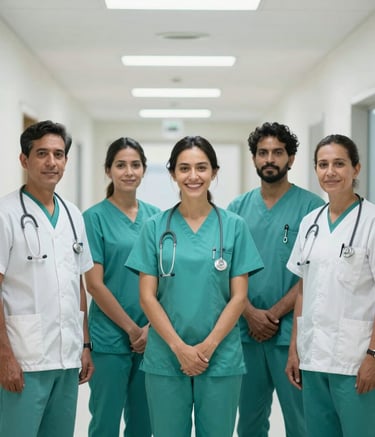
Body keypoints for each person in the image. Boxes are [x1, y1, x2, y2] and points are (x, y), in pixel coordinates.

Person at [125, 135, 263, 437]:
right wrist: (179, 349)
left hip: (221, 356)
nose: (193, 176)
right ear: (173, 173)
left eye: (202, 168)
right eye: (184, 168)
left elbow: (239, 298)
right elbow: (147, 298)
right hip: (166, 356)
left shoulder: (234, 226)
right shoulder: (155, 228)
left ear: (214, 172)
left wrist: (207, 348)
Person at [228, 122, 324, 437]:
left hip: (291, 335)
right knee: (250, 422)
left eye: (278, 153)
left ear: (291, 158)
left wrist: (273, 314)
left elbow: (314, 274)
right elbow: (224, 271)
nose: (270, 159)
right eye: (263, 153)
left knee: (301, 421)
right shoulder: (236, 210)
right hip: (245, 332)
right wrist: (250, 313)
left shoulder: (312, 209)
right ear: (254, 158)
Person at [0, 120, 94, 437]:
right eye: (42, 153)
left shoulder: (73, 215)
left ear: (66, 160)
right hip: (23, 359)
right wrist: (4, 356)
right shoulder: (6, 214)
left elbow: (77, 283)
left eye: (58, 154)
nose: (51, 162)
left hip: (66, 357)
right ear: (24, 160)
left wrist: (84, 344)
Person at [286, 134, 375, 437]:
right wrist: (294, 350)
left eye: (339, 163)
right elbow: (303, 288)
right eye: (323, 164)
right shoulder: (311, 223)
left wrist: (373, 355)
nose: (330, 172)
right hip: (313, 356)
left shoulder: (372, 221)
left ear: (356, 168)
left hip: (355, 360)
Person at [83, 137, 160, 437]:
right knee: (105, 421)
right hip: (109, 339)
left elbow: (166, 279)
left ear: (143, 170)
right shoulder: (94, 218)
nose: (129, 171)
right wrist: (132, 329)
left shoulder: (157, 218)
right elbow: (94, 285)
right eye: (121, 165)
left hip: (152, 335)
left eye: (135, 165)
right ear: (108, 170)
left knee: (144, 423)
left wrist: (150, 328)